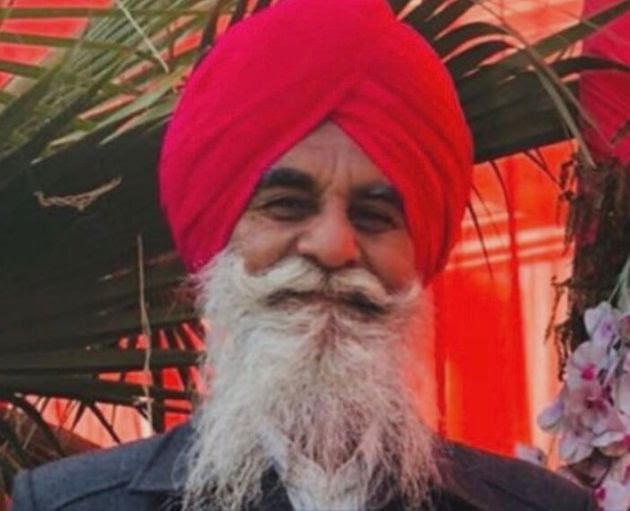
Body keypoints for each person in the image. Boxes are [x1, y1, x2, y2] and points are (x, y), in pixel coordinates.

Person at [11, 0, 596, 510]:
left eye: (374, 216)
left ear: (421, 255)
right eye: (287, 206)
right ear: (218, 239)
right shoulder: (73, 503)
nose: (334, 247)